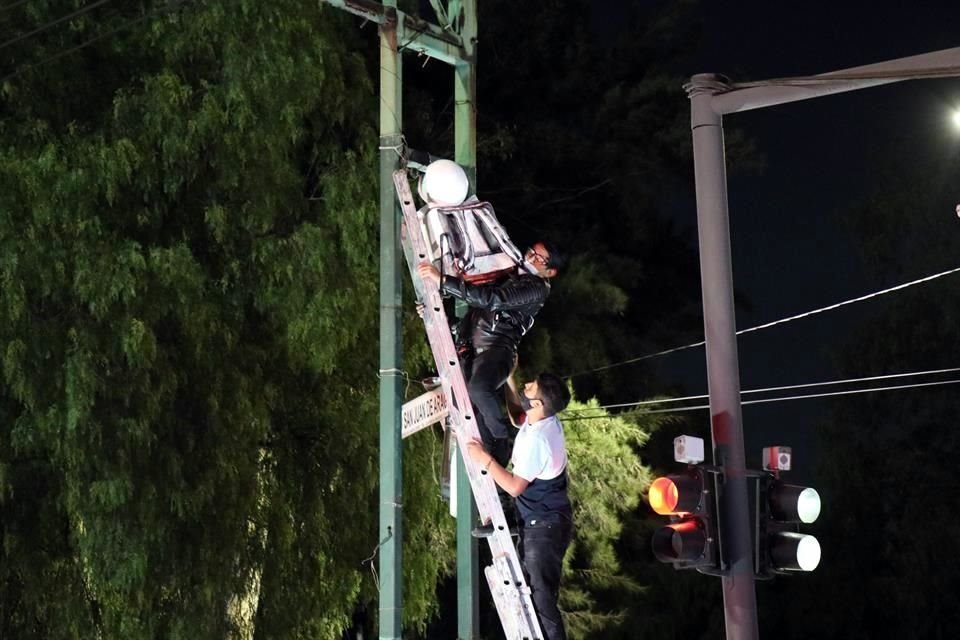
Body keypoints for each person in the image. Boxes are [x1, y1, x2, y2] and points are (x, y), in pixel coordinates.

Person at [416, 241, 564, 467]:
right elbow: (474, 314)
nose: (531, 257)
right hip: (471, 347)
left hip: (497, 348)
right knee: (471, 407)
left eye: (539, 258)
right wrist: (432, 311)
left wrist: (443, 280)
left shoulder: (536, 288)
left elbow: (493, 299)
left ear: (550, 271)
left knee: (479, 389)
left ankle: (501, 438)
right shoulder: (511, 275)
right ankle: (489, 449)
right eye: (531, 251)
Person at [465, 369, 573, 640]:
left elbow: (514, 487)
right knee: (536, 593)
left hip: (544, 527)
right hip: (544, 518)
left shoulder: (539, 440)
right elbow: (517, 416)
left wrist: (484, 459)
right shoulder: (542, 419)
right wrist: (509, 377)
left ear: (537, 404)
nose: (526, 387)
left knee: (543, 599)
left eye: (530, 388)